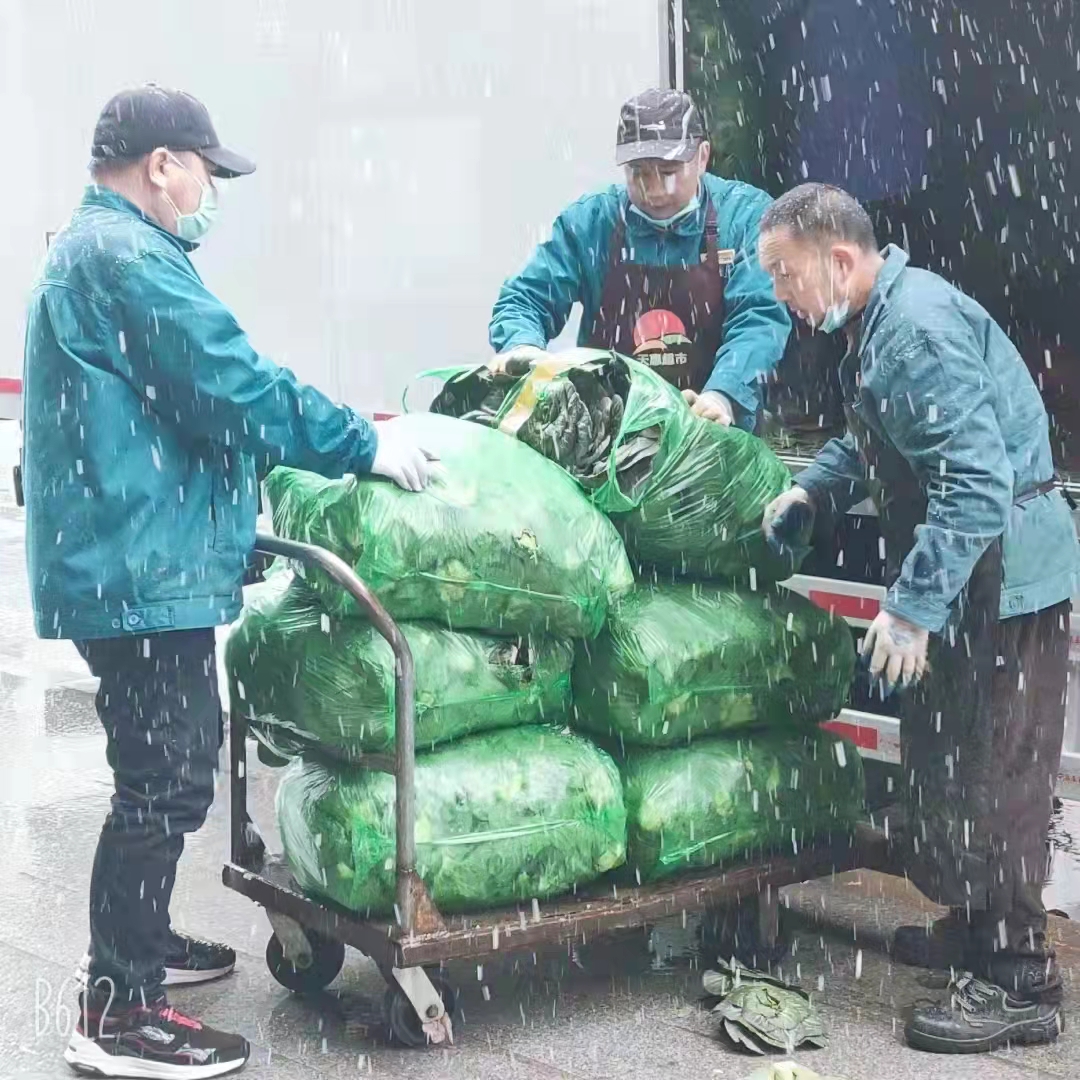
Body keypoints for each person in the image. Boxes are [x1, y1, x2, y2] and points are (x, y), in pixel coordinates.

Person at [22, 85, 435, 1079]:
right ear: (162, 163)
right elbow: (227, 382)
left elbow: (167, 422)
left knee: (165, 763)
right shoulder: (124, 258)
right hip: (134, 572)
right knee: (164, 779)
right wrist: (358, 444)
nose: (210, 190)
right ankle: (119, 1010)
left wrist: (225, 534)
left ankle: (141, 945)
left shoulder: (104, 255)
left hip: (139, 561)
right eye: (206, 169)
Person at [758, 182, 1079, 1054]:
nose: (783, 295)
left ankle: (1019, 979)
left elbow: (974, 485)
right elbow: (874, 436)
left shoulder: (917, 330)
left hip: (1007, 582)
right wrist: (811, 492)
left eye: (786, 275)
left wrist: (909, 608)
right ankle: (976, 929)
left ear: (840, 260)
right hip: (969, 583)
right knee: (948, 761)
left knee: (999, 776)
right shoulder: (879, 325)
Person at [488, 88, 791, 429]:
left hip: (713, 433)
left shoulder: (746, 217)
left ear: (702, 157)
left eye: (668, 171)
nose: (654, 190)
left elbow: (759, 317)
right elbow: (525, 298)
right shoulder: (592, 221)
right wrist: (522, 347)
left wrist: (723, 394)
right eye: (639, 172)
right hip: (606, 435)